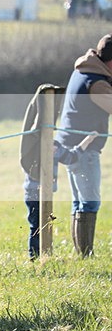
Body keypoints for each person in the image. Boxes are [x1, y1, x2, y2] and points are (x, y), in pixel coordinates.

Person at [55, 34, 112, 257]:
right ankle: (85, 255)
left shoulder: (84, 71)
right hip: (84, 149)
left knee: (80, 202)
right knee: (89, 203)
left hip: (71, 145)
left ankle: (81, 253)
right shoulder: (96, 83)